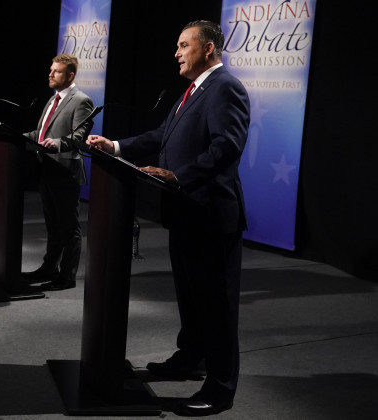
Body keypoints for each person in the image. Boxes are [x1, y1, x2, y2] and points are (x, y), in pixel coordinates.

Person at [87, 20, 249, 416]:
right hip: (186, 212)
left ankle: (221, 387)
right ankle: (190, 357)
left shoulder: (226, 87)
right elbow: (162, 135)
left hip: (212, 215)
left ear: (208, 48)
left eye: (183, 45)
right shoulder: (193, 91)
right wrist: (116, 145)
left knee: (216, 305)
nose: (176, 53)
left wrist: (180, 176)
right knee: (192, 298)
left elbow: (227, 146)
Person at [21, 54, 94, 291]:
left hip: (64, 172)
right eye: (51, 70)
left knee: (68, 228)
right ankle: (48, 268)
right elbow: (41, 134)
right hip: (46, 169)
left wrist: (59, 143)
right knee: (53, 227)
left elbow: (78, 136)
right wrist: (14, 137)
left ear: (70, 75)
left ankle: (67, 276)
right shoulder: (52, 100)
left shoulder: (82, 101)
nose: (50, 74)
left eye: (57, 71)